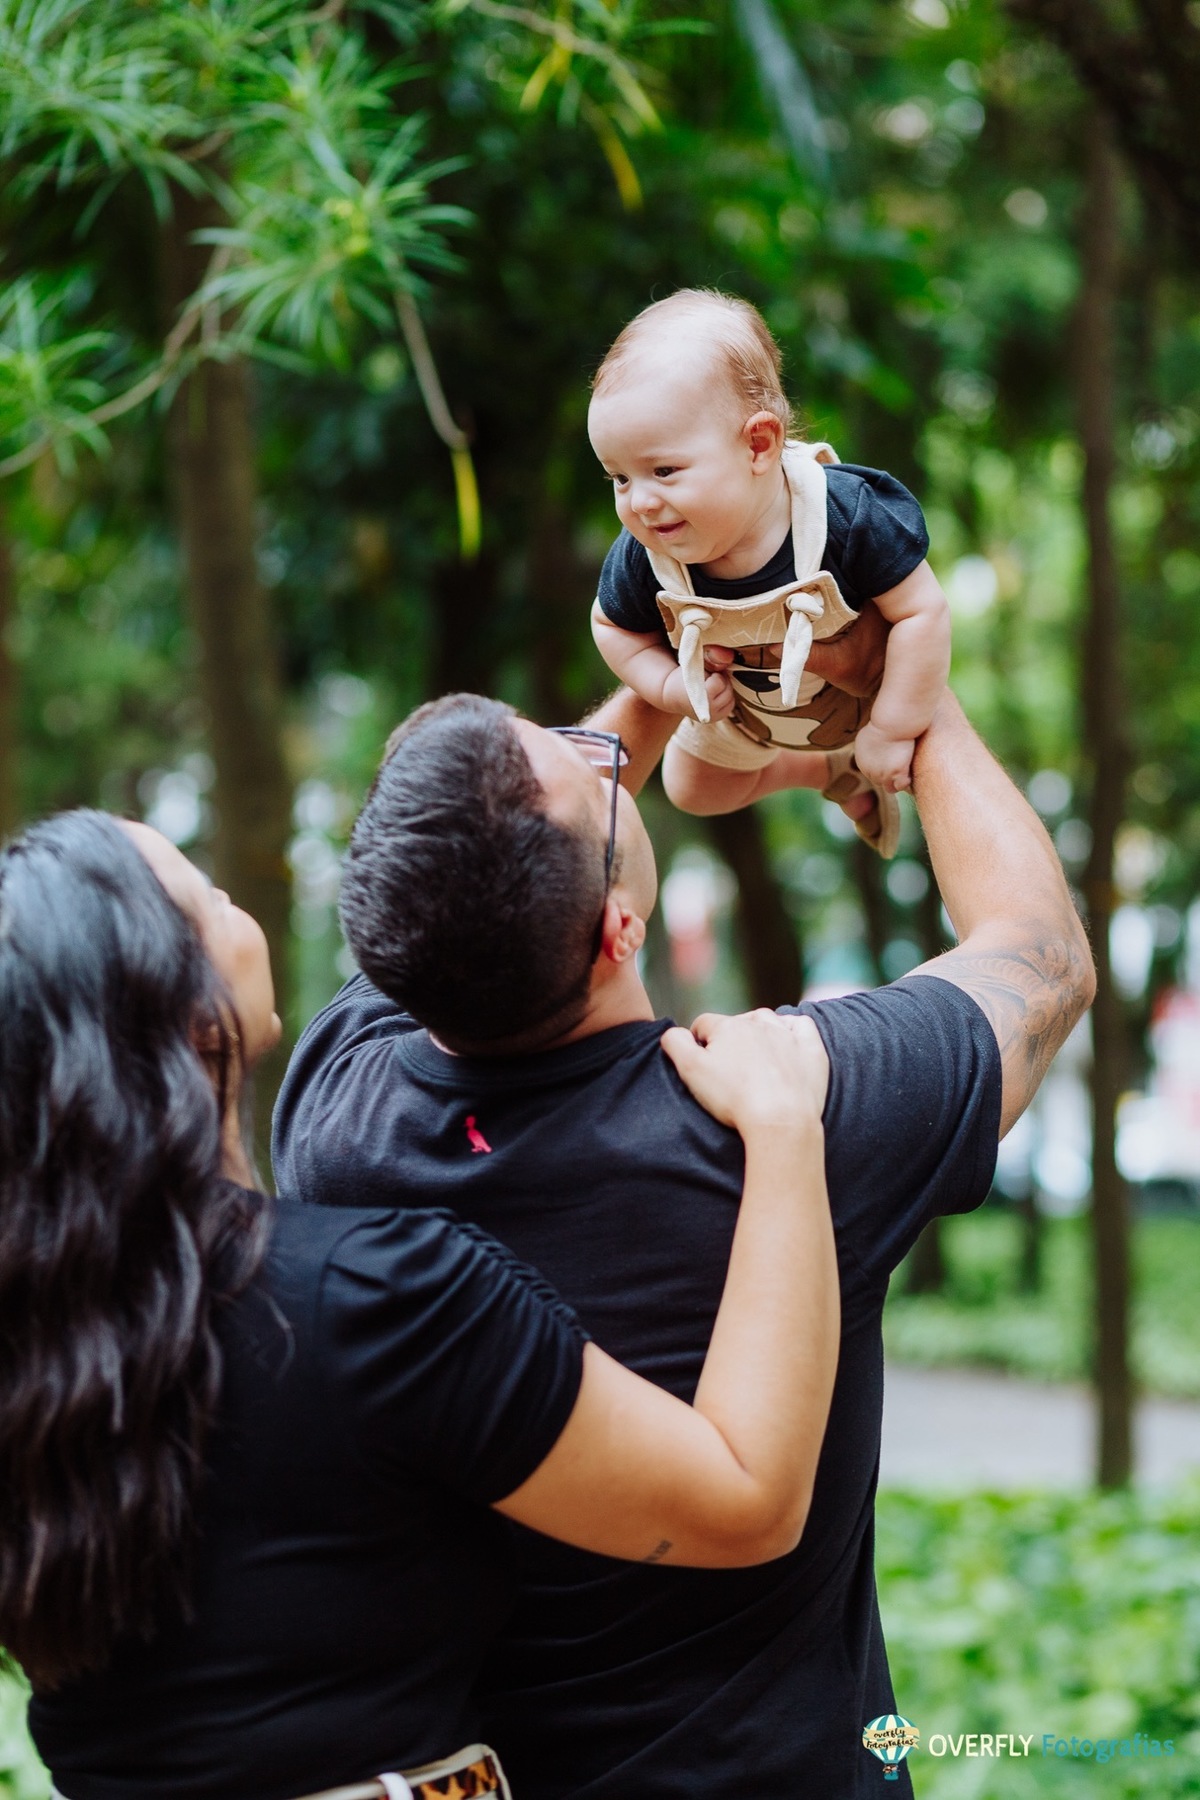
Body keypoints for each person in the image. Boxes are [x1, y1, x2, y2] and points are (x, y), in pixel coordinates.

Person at [273, 670, 1095, 1800]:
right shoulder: (787, 1112)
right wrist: (910, 686)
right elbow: (1042, 958)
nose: (602, 752)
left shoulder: (334, 1121)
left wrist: (663, 681)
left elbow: (489, 849)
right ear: (620, 930)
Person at [0, 806, 845, 1800]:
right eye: (207, 898)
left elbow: (489, 881)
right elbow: (745, 1498)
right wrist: (786, 1132)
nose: (234, 903)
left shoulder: (38, 1347)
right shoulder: (378, 1298)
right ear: (192, 1015)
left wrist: (614, 743)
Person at [587, 288, 952, 853]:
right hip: (745, 716)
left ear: (759, 445)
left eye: (663, 469)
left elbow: (922, 612)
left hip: (868, 702)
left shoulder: (843, 515)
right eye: (619, 478)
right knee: (690, 787)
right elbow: (611, 628)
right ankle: (827, 771)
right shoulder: (647, 553)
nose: (639, 502)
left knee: (936, 758)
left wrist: (890, 727)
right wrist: (664, 685)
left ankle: (866, 754)